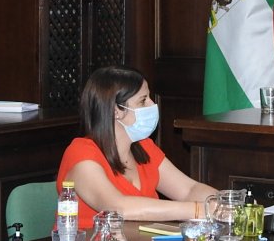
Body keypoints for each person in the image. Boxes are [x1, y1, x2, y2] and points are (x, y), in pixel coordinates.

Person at [56, 66, 218, 228]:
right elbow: (117, 208)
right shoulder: (81, 153)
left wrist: (223, 203)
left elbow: (189, 190)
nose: (152, 104)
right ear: (116, 111)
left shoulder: (143, 146)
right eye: (143, 100)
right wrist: (199, 210)